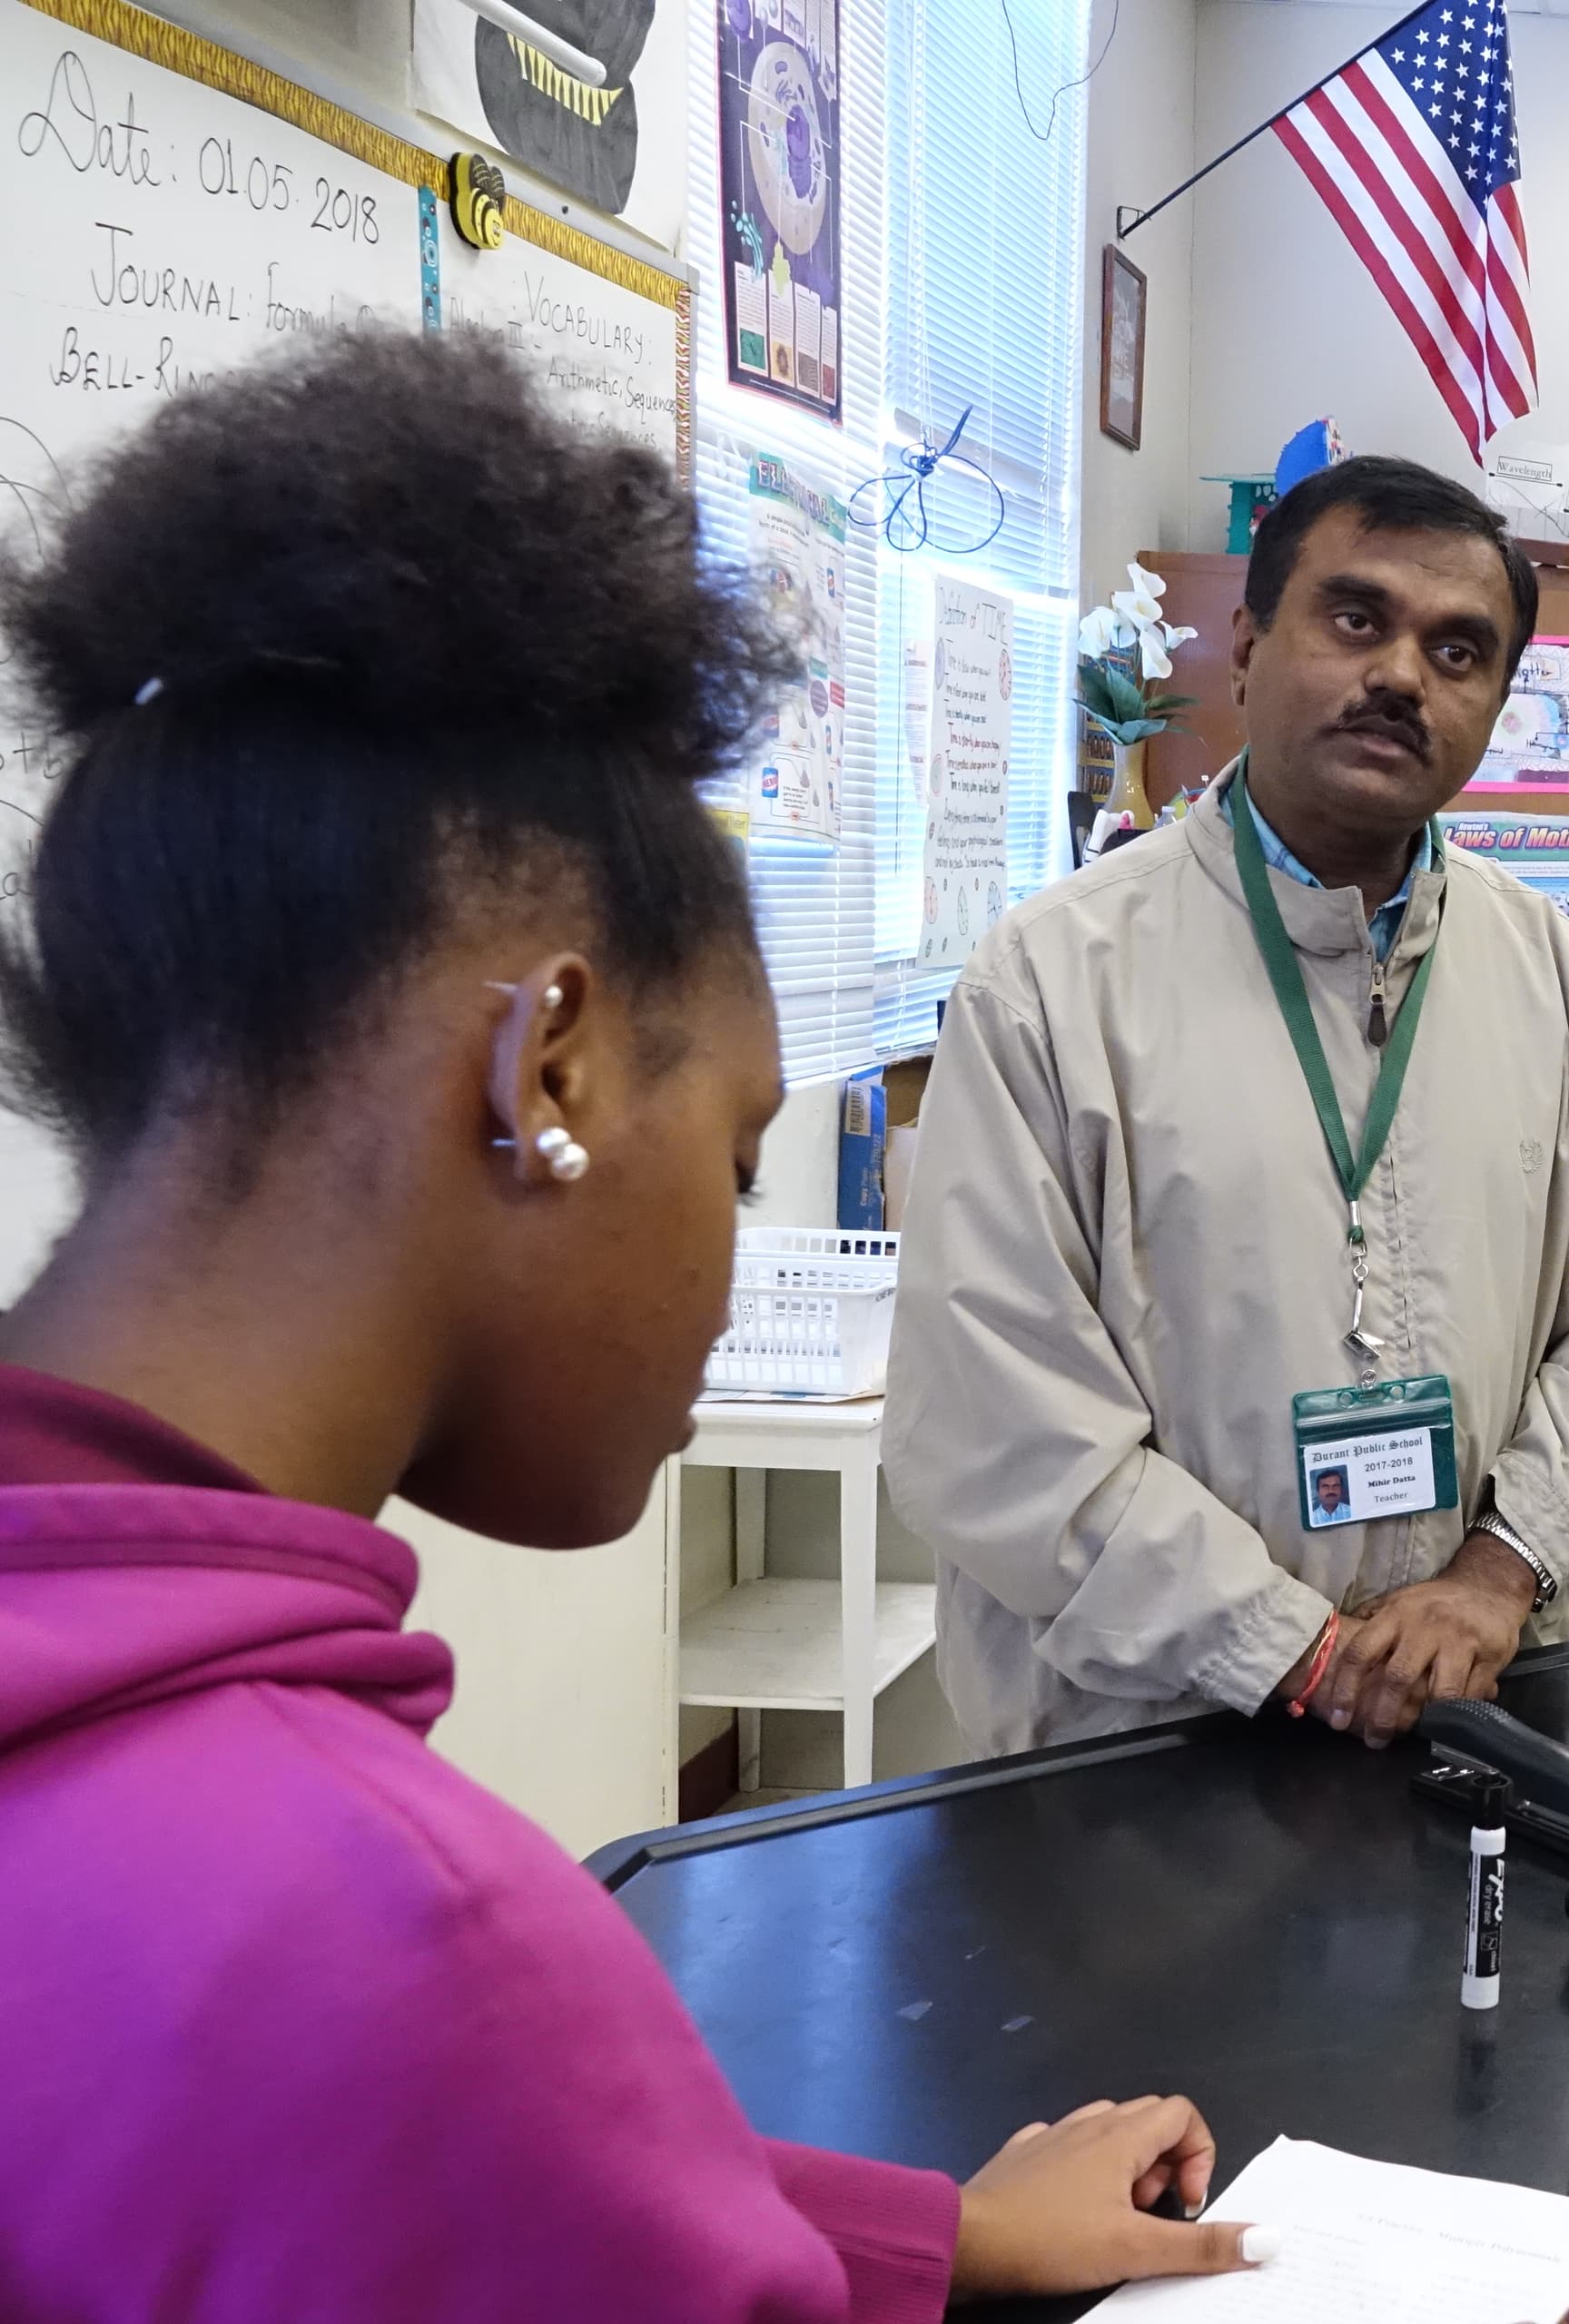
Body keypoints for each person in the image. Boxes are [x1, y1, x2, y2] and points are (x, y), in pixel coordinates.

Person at [0, 335, 1254, 2314]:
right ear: (554, 1071)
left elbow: (449, 2179)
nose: (730, 1261)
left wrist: (920, 2232)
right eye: (742, 1157)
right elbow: (430, 2094)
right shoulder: (404, 1946)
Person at [888, 456, 1569, 1755]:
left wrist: (1500, 1572)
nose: (1401, 676)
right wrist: (1289, 1650)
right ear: (1249, 644)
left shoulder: (1557, 985)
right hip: (1139, 1743)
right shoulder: (1053, 981)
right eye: (1356, 618)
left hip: (1465, 1714)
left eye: (1459, 650)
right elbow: (999, 1414)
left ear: (1494, 704)